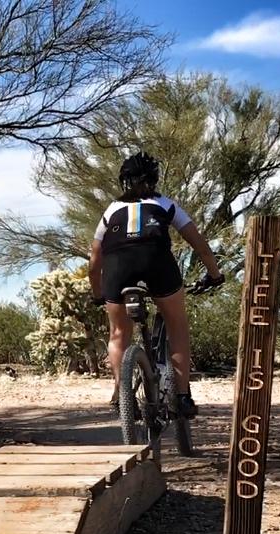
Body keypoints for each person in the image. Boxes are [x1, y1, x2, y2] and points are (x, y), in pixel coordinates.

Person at [88, 151, 224, 417]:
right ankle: (182, 397)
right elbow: (200, 245)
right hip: (157, 263)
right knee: (178, 327)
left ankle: (120, 396)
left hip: (117, 268)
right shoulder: (165, 204)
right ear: (154, 179)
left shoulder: (111, 210)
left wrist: (97, 294)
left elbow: (94, 262)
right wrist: (214, 274)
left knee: (118, 334)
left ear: (123, 181)